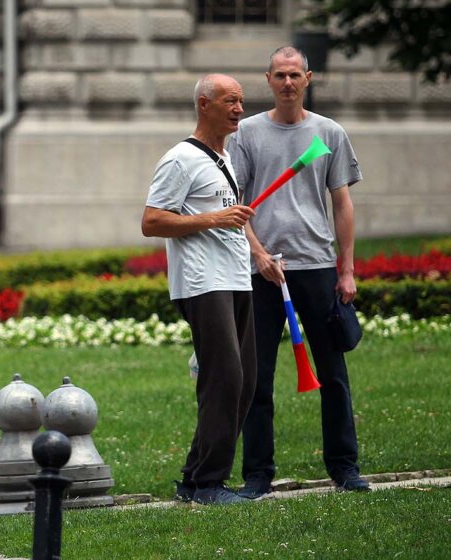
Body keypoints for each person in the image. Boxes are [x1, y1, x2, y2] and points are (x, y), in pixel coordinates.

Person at [228, 46, 369, 499]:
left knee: (333, 374)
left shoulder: (329, 132)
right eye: (279, 75)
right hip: (262, 271)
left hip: (316, 267)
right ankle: (257, 475)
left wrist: (345, 271)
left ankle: (345, 468)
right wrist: (259, 256)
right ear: (267, 79)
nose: (287, 83)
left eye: (295, 75)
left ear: (308, 78)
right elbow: (236, 205)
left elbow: (341, 204)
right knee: (257, 378)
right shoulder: (246, 134)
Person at [142, 74, 257, 505]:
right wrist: (212, 219)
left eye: (242, 102)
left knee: (243, 382)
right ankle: (209, 484)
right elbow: (152, 221)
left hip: (235, 279)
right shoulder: (180, 159)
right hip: (202, 282)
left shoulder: (222, 158)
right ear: (204, 104)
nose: (239, 109)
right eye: (230, 101)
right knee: (224, 379)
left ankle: (194, 479)